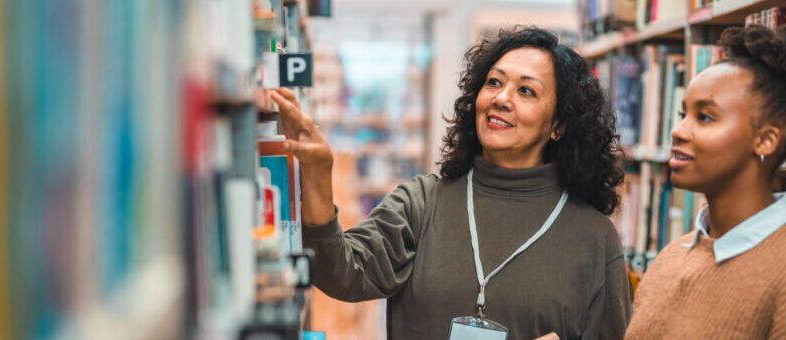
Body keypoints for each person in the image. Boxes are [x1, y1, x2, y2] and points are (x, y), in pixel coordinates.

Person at [269, 27, 629, 340]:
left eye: (526, 92)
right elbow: (337, 272)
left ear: (559, 125)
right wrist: (317, 173)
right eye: (494, 82)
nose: (501, 99)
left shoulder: (594, 239)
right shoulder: (422, 204)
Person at [625, 25, 786, 339]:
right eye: (683, 114)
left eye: (705, 117)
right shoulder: (673, 256)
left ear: (766, 140)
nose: (678, 131)